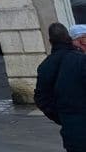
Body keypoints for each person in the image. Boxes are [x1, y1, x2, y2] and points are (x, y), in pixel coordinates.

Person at [35, 22, 86, 151]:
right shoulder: (81, 60)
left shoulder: (45, 66)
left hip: (71, 131)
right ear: (69, 38)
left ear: (50, 41)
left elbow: (41, 98)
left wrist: (61, 116)